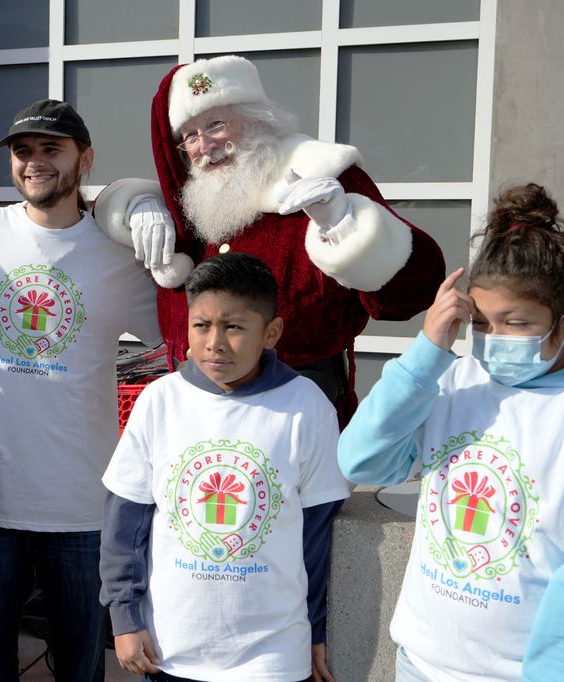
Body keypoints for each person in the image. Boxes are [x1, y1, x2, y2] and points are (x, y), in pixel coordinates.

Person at [0, 98, 161, 682]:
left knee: (81, 665)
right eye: (23, 151)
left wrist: (152, 202)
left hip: (82, 503)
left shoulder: (117, 251)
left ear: (86, 158)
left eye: (51, 149)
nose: (34, 162)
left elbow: (188, 336)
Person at [95, 55, 445, 426]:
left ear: (257, 120)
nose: (204, 146)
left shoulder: (320, 174)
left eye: (215, 124)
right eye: (190, 136)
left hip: (298, 412)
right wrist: (138, 203)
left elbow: (413, 291)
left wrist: (345, 226)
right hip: (198, 418)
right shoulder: (194, 205)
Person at [338, 184, 564, 680]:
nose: (494, 339)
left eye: (517, 323)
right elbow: (361, 460)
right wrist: (425, 353)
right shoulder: (455, 380)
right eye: (480, 324)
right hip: (419, 661)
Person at [101, 253, 349, 682]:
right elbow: (125, 522)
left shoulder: (307, 406)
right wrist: (124, 616)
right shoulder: (159, 401)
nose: (215, 342)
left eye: (234, 327)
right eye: (201, 325)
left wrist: (315, 629)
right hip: (169, 649)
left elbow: (316, 537)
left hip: (272, 656)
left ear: (271, 332)